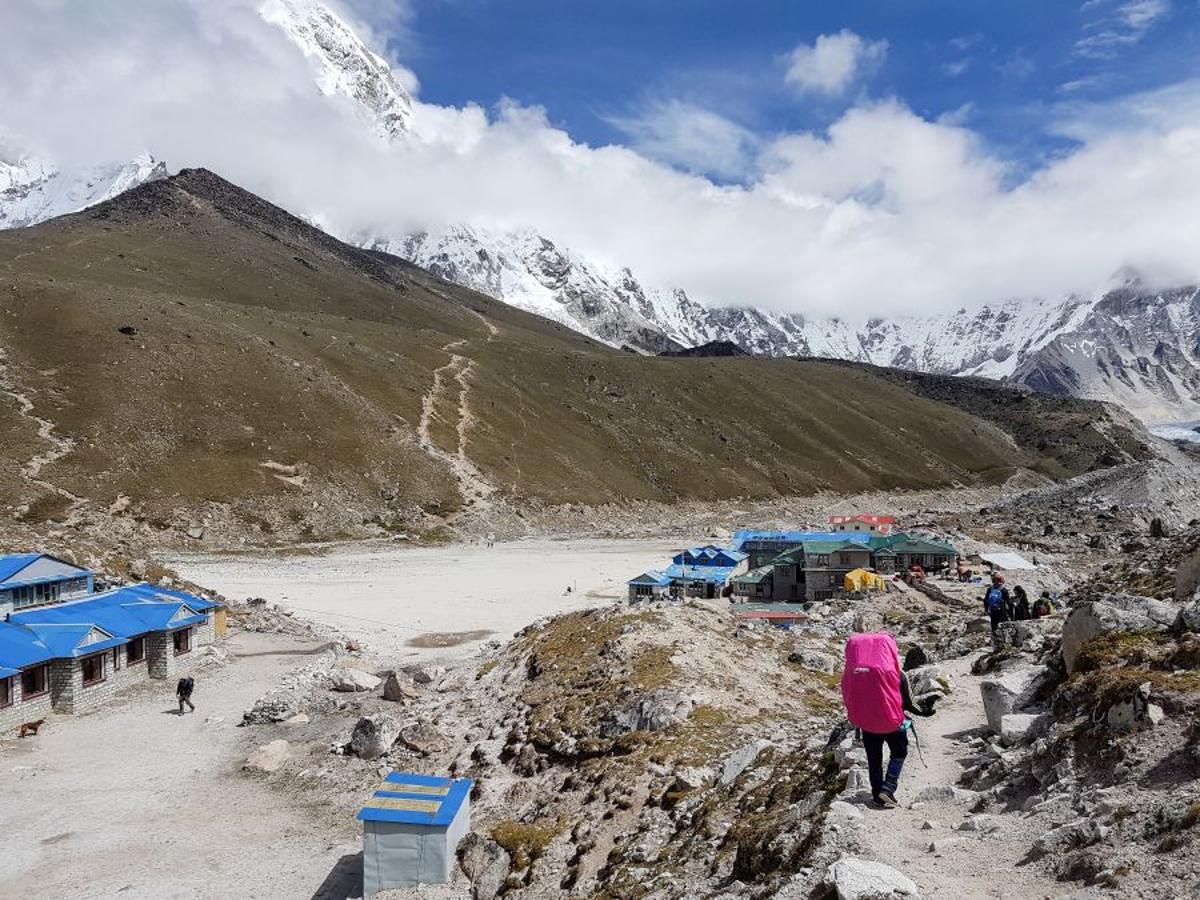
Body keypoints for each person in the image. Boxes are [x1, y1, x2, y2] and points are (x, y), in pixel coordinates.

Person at [841, 630, 936, 809]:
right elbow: (908, 703)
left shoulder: (852, 673)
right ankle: (889, 787)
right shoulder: (897, 674)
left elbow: (849, 697)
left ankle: (877, 794)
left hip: (867, 723)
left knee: (874, 759)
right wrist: (925, 711)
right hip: (892, 722)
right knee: (899, 753)